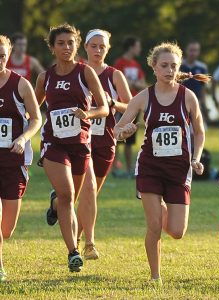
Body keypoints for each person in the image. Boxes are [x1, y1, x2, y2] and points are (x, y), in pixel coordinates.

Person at [114, 42, 209, 285]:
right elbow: (117, 131)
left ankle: (161, 208)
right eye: (164, 65)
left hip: (179, 169)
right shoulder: (143, 97)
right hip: (150, 168)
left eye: (173, 66)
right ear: (154, 67)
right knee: (154, 225)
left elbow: (199, 132)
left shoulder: (188, 97)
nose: (168, 70)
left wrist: (196, 158)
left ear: (179, 68)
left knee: (177, 232)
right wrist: (126, 130)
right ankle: (155, 276)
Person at [35, 24, 109, 272]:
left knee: (70, 199)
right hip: (53, 144)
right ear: (52, 47)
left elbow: (104, 108)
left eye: (70, 43)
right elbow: (33, 108)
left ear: (77, 45)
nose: (66, 48)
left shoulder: (85, 72)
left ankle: (55, 203)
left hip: (80, 144)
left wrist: (87, 113)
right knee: (67, 195)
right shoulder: (45, 77)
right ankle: (73, 252)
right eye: (61, 43)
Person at [74, 29, 131, 259]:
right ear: (85, 47)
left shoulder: (114, 75)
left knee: (90, 195)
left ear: (108, 49)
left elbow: (131, 104)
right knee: (86, 191)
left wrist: (113, 103)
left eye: (102, 47)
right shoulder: (76, 71)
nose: (98, 50)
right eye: (94, 46)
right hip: (78, 139)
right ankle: (88, 244)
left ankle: (72, 234)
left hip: (105, 140)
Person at [0, 35, 42, 281]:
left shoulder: (21, 84)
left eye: (2, 55)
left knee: (7, 229)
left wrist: (23, 138)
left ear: (8, 54)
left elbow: (36, 118)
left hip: (14, 160)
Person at [113, 36, 146, 177]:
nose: (139, 49)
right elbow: (118, 81)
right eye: (137, 46)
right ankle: (114, 168)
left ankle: (128, 168)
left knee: (130, 139)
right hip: (121, 105)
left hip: (134, 105)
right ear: (131, 47)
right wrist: (134, 83)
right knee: (117, 136)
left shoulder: (136, 65)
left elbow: (142, 84)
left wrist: (133, 83)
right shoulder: (119, 63)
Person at [180, 40, 209, 123]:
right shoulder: (179, 66)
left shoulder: (202, 68)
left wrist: (204, 105)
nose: (193, 53)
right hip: (180, 102)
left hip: (196, 102)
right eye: (191, 50)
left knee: (196, 129)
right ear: (186, 50)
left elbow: (203, 88)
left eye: (195, 50)